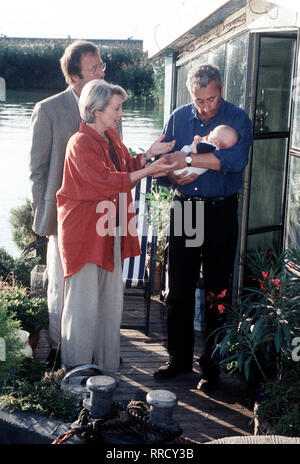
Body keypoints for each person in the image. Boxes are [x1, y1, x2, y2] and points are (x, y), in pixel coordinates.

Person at [56, 79, 176, 371]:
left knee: (109, 305)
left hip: (108, 232)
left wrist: (148, 155)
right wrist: (151, 169)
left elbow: (123, 169)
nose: (120, 113)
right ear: (97, 110)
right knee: (82, 308)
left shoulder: (110, 138)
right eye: (116, 108)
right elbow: (104, 182)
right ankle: (77, 374)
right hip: (84, 235)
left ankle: (105, 370)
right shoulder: (80, 142)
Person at [153, 64, 253, 390]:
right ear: (191, 94)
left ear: (220, 89)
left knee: (217, 290)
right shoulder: (178, 118)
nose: (205, 106)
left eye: (211, 99)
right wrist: (173, 172)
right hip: (185, 209)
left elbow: (234, 162)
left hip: (221, 212)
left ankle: (212, 367)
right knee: (179, 288)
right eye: (199, 100)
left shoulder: (238, 118)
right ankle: (178, 361)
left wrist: (190, 161)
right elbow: (165, 161)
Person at [28, 40, 115, 365]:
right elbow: (37, 169)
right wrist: (43, 217)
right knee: (61, 288)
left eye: (102, 65)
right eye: (95, 68)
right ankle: (57, 349)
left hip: (99, 218)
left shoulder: (107, 107)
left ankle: (89, 350)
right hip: (62, 219)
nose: (102, 71)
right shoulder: (49, 109)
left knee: (92, 289)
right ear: (75, 77)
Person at [174, 124, 239, 176]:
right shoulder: (215, 149)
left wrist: (195, 141)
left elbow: (194, 150)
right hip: (186, 172)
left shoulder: (208, 146)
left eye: (211, 133)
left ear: (216, 142)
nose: (209, 133)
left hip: (182, 169)